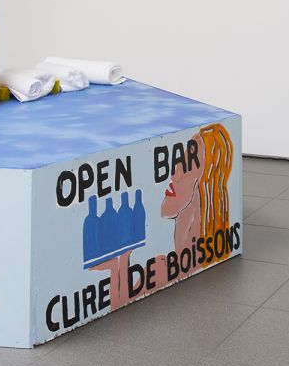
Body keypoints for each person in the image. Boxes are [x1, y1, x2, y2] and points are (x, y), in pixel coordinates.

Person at [93, 123, 233, 307]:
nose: (175, 175)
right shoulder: (175, 263)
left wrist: (118, 264)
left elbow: (117, 304)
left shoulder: (161, 269)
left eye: (187, 166)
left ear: (204, 180)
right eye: (179, 162)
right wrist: (120, 261)